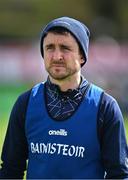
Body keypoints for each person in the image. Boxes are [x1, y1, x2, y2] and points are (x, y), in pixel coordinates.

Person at [0, 16, 128, 179]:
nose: (56, 56)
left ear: (82, 56)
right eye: (50, 48)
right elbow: (10, 170)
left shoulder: (105, 107)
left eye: (65, 48)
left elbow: (119, 174)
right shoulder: (26, 103)